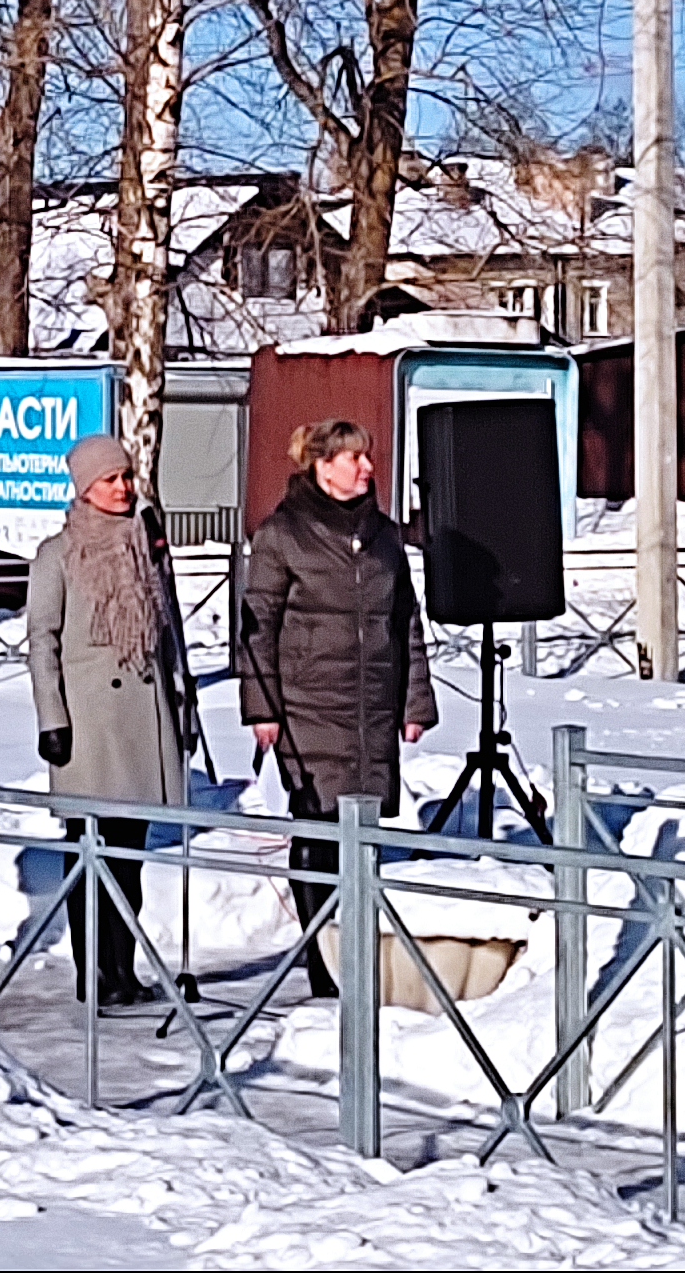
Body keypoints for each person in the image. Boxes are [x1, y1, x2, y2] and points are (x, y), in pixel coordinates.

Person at [237, 418, 438, 998]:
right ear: (322, 467)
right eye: (354, 459)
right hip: (306, 710)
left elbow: (406, 624)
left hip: (370, 711)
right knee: (320, 834)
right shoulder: (283, 535)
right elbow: (256, 630)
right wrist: (262, 709)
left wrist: (414, 702)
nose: (368, 468)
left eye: (367, 458)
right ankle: (326, 968)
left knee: (363, 840)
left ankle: (355, 955)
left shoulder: (384, 536)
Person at [27, 431, 192, 1008]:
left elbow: (167, 632)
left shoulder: (147, 546)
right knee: (89, 854)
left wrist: (182, 703)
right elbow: (41, 640)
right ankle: (91, 972)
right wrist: (53, 716)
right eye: (109, 480)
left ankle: (122, 969)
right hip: (89, 725)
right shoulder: (59, 554)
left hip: (144, 718)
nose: (122, 488)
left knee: (129, 855)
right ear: (84, 488)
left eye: (125, 477)